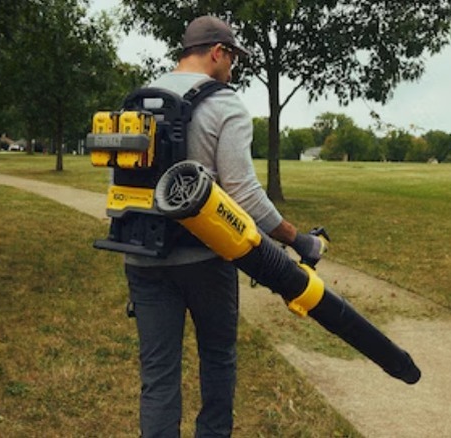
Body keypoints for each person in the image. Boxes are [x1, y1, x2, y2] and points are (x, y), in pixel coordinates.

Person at [124, 15, 325, 437]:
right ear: (217, 52)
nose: (233, 69)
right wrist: (298, 240)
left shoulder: (137, 102)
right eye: (232, 58)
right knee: (217, 360)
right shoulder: (224, 103)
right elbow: (244, 194)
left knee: (158, 374)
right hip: (205, 260)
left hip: (143, 259)